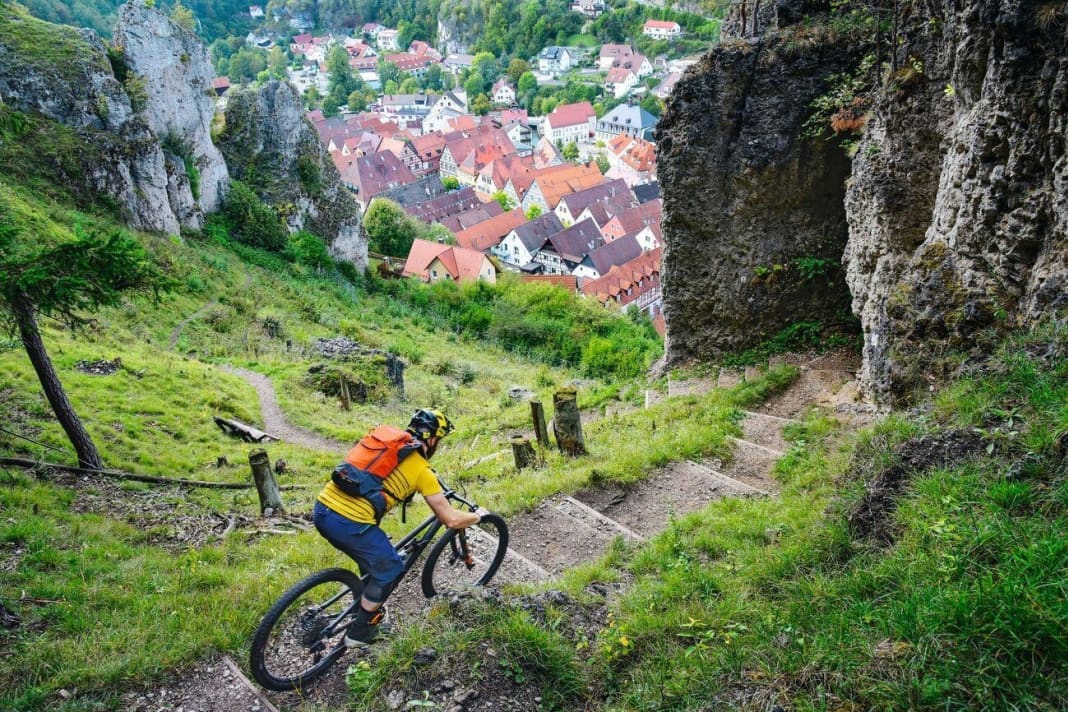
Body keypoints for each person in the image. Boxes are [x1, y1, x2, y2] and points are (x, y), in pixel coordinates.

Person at [313, 408, 487, 647]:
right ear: (433, 439)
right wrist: (477, 516)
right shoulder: (422, 471)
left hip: (322, 509)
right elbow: (452, 520)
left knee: (375, 559)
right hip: (348, 524)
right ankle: (359, 633)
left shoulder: (388, 444)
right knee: (391, 568)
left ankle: (363, 602)